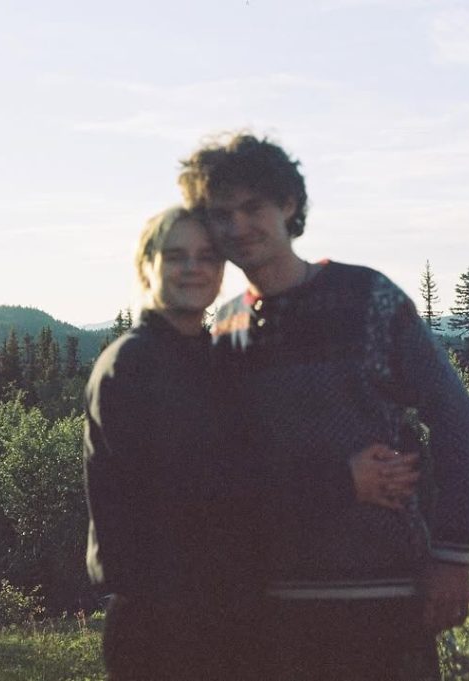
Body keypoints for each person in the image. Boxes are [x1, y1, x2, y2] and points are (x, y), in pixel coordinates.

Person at [179, 133, 469, 681]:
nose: (238, 226)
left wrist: (451, 555)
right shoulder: (226, 327)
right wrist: (341, 480)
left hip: (384, 596)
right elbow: (228, 475)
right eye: (222, 214)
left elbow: (457, 420)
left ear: (288, 204)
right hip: (272, 606)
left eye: (252, 207)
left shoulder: (368, 298)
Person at [83, 205, 421, 680]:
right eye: (176, 256)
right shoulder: (134, 366)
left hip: (228, 622)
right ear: (146, 266)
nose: (193, 267)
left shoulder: (205, 360)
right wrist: (344, 481)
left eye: (207, 256)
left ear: (223, 269)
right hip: (165, 629)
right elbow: (201, 496)